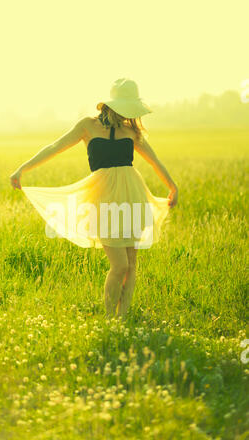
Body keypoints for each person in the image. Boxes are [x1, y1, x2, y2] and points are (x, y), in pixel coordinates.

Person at [10, 78, 178, 317]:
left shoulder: (131, 131)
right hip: (102, 199)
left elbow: (155, 160)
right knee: (119, 265)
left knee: (131, 264)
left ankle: (122, 318)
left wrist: (173, 186)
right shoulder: (87, 126)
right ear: (113, 103)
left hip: (132, 195)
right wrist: (21, 169)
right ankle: (109, 318)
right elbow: (54, 146)